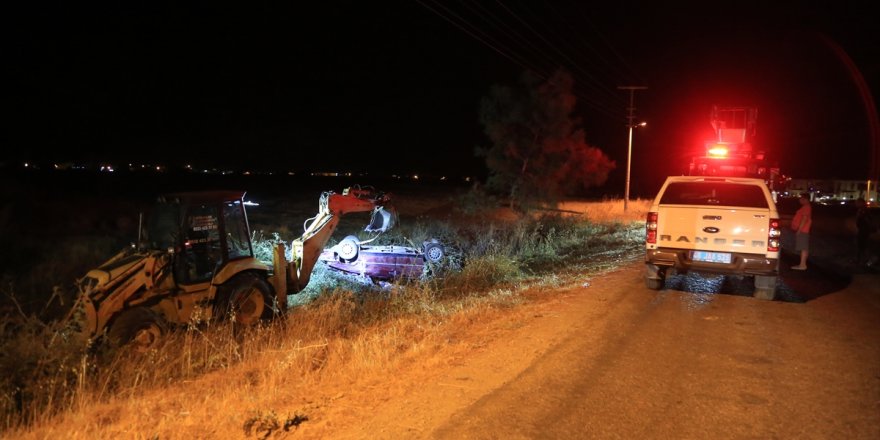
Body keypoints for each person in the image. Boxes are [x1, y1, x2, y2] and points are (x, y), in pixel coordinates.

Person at [790, 193, 812, 270]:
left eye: (801, 199)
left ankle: (802, 265)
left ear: (805, 199)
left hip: (803, 230)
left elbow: (804, 219)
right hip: (803, 230)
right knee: (803, 247)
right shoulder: (805, 207)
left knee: (803, 248)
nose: (799, 200)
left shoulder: (806, 207)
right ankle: (802, 264)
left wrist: (799, 230)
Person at [855, 198, 874, 266]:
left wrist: (869, 228)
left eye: (857, 202)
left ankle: (864, 261)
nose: (856, 204)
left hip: (864, 230)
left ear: (861, 203)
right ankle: (860, 260)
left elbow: (867, 220)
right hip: (863, 230)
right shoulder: (862, 210)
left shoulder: (864, 210)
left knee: (862, 246)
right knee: (861, 245)